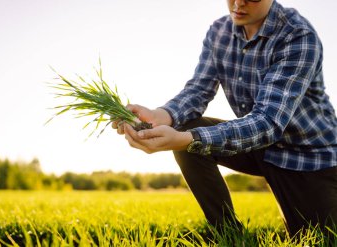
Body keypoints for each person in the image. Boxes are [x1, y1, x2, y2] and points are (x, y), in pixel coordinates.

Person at [112, 0, 337, 238]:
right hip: (258, 146)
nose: (239, 3)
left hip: (306, 157)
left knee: (316, 238)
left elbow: (268, 123)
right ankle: (227, 234)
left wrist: (187, 139)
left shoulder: (297, 36)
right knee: (189, 128)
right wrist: (162, 115)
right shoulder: (219, 31)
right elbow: (198, 91)